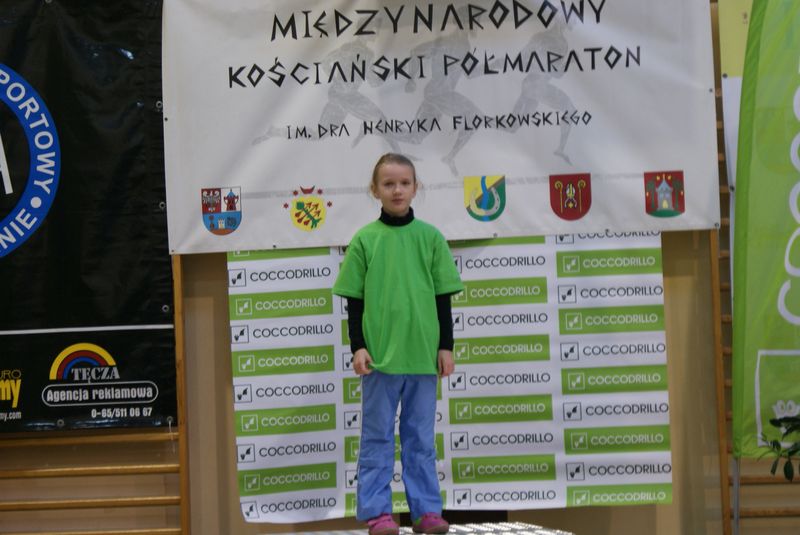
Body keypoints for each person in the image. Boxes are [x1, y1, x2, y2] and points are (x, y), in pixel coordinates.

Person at [333, 153, 464, 535]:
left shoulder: (430, 237)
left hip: (423, 357)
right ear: (375, 190)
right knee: (376, 438)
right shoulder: (365, 240)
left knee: (420, 439)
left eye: (404, 183)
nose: (397, 190)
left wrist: (446, 346)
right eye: (388, 183)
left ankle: (427, 512)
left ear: (415, 188)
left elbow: (442, 297)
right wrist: (358, 346)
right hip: (380, 360)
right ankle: (378, 513)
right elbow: (354, 301)